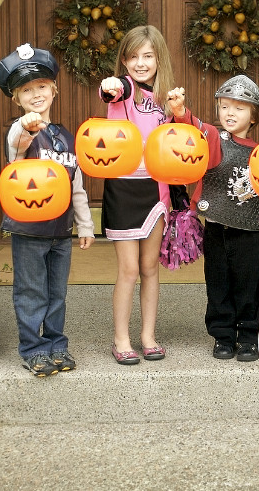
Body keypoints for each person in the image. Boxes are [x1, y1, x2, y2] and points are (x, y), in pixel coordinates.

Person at [0, 43, 95, 376]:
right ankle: (32, 349)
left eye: (41, 86)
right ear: (16, 98)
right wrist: (26, 124)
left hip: (60, 232)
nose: (36, 94)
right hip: (29, 231)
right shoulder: (21, 134)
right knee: (30, 292)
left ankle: (56, 345)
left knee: (57, 293)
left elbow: (76, 186)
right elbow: (16, 139)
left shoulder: (67, 138)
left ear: (54, 89)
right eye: (26, 90)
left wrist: (84, 225)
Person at [168, 76, 259, 362]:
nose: (230, 113)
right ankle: (223, 335)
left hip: (249, 231)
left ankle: (248, 336)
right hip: (216, 228)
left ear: (254, 115)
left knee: (248, 284)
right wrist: (181, 113)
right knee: (218, 283)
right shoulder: (215, 140)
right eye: (225, 106)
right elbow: (197, 130)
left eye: (240, 108)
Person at [98, 25, 175, 365]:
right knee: (128, 270)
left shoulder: (165, 98)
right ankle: (121, 339)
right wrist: (110, 85)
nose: (141, 63)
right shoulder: (126, 88)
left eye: (148, 56)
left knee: (149, 268)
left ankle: (148, 336)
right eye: (133, 57)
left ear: (159, 59)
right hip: (124, 188)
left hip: (156, 190)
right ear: (124, 62)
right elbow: (110, 90)